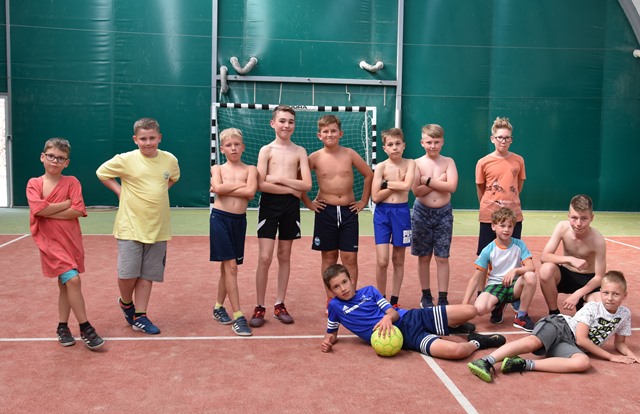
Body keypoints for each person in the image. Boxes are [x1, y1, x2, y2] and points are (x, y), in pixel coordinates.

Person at [468, 271, 637, 382]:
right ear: (601, 293)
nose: (609, 298)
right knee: (532, 343)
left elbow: (620, 343)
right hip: (560, 326)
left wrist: (631, 355)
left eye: (616, 294)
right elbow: (582, 339)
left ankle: (521, 364)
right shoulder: (592, 307)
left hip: (571, 345)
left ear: (625, 295)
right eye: (606, 293)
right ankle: (486, 361)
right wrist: (610, 357)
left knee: (583, 362)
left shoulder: (624, 314)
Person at [96, 117, 180, 335]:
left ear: (159, 138)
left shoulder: (170, 160)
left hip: (158, 227)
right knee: (127, 274)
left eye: (152, 138)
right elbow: (101, 173)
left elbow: (173, 178)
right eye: (143, 139)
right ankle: (126, 303)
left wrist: (160, 191)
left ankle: (140, 316)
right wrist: (119, 191)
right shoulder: (125, 160)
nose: (148, 142)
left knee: (147, 274)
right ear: (135, 139)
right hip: (130, 226)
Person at [321, 264, 506, 359]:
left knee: (471, 310)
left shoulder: (369, 291)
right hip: (408, 337)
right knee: (457, 351)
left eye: (344, 282)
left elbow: (392, 313)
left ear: (351, 280)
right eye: (336, 286)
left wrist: (387, 318)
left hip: (411, 317)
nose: (342, 288)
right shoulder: (335, 307)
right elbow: (331, 334)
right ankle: (477, 342)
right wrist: (328, 342)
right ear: (330, 291)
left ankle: (453, 326)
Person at [27, 138, 104, 350]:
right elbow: (37, 209)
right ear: (42, 157)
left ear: (66, 163)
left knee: (66, 285)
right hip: (49, 243)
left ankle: (62, 327)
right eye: (51, 156)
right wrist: (65, 204)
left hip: (71, 242)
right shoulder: (34, 184)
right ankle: (86, 328)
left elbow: (78, 210)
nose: (55, 161)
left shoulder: (72, 182)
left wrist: (47, 210)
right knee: (74, 280)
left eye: (60, 158)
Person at [250, 105, 312, 327]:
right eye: (282, 121)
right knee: (265, 257)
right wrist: (291, 189)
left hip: (290, 208)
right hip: (269, 205)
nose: (286, 125)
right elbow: (261, 185)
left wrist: (279, 179)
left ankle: (279, 304)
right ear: (273, 123)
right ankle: (259, 306)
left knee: (284, 255)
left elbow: (307, 184)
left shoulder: (300, 151)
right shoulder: (266, 150)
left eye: (290, 122)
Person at [301, 115, 373, 298]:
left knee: (350, 257)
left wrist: (364, 201)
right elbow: (298, 179)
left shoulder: (350, 154)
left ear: (340, 133)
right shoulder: (314, 157)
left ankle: (352, 298)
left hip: (349, 211)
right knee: (329, 257)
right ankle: (331, 300)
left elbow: (369, 175)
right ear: (319, 135)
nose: (330, 134)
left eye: (333, 131)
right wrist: (308, 202)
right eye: (325, 131)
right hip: (326, 211)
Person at [475, 117, 526, 321]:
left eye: (507, 138)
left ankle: (512, 295)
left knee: (514, 256)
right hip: (489, 216)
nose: (503, 141)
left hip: (513, 216)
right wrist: (490, 207)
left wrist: (509, 205)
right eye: (499, 137)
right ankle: (482, 292)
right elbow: (481, 189)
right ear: (492, 138)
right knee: (485, 256)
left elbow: (519, 186)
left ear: (511, 139)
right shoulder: (483, 162)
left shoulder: (518, 160)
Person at [209, 128, 258, 336]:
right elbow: (218, 188)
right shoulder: (217, 168)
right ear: (222, 149)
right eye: (229, 145)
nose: (233, 148)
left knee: (226, 267)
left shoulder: (251, 169)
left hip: (239, 222)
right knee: (230, 267)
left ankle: (218, 307)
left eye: (237, 144)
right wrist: (238, 187)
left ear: (243, 147)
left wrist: (224, 187)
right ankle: (238, 316)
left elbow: (250, 192)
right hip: (219, 219)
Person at [462, 207, 537, 331]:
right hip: (495, 285)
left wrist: (515, 271)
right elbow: (475, 279)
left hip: (514, 285)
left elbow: (531, 267)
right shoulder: (488, 250)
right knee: (480, 309)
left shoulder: (519, 245)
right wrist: (464, 305)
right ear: (493, 226)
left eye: (510, 226)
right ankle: (499, 304)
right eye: (502, 226)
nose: (506, 230)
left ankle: (521, 316)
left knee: (530, 276)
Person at [411, 124, 458, 308]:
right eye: (429, 142)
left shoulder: (449, 162)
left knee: (442, 257)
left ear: (442, 142)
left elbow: (451, 187)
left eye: (436, 142)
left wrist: (428, 181)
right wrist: (440, 181)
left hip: (444, 213)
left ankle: (443, 297)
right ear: (422, 142)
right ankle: (426, 295)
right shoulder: (416, 163)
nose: (433, 146)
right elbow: (417, 191)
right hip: (421, 213)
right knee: (424, 256)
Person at [538, 194, 606, 315]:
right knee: (546, 269)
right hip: (566, 275)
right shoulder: (562, 227)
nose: (578, 223)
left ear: (592, 217)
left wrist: (578, 294)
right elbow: (544, 257)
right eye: (574, 218)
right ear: (568, 216)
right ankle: (554, 313)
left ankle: (583, 303)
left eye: (584, 218)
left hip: (588, 280)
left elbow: (599, 277)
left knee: (598, 307)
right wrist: (570, 259)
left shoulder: (598, 241)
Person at [371, 128, 415, 307]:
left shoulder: (410, 163)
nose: (394, 147)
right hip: (382, 214)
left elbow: (407, 186)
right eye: (390, 144)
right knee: (382, 261)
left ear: (404, 145)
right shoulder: (381, 167)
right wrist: (395, 183)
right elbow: (375, 197)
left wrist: (385, 184)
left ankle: (394, 300)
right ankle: (381, 300)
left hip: (401, 213)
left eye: (398, 143)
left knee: (398, 259)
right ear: (384, 148)